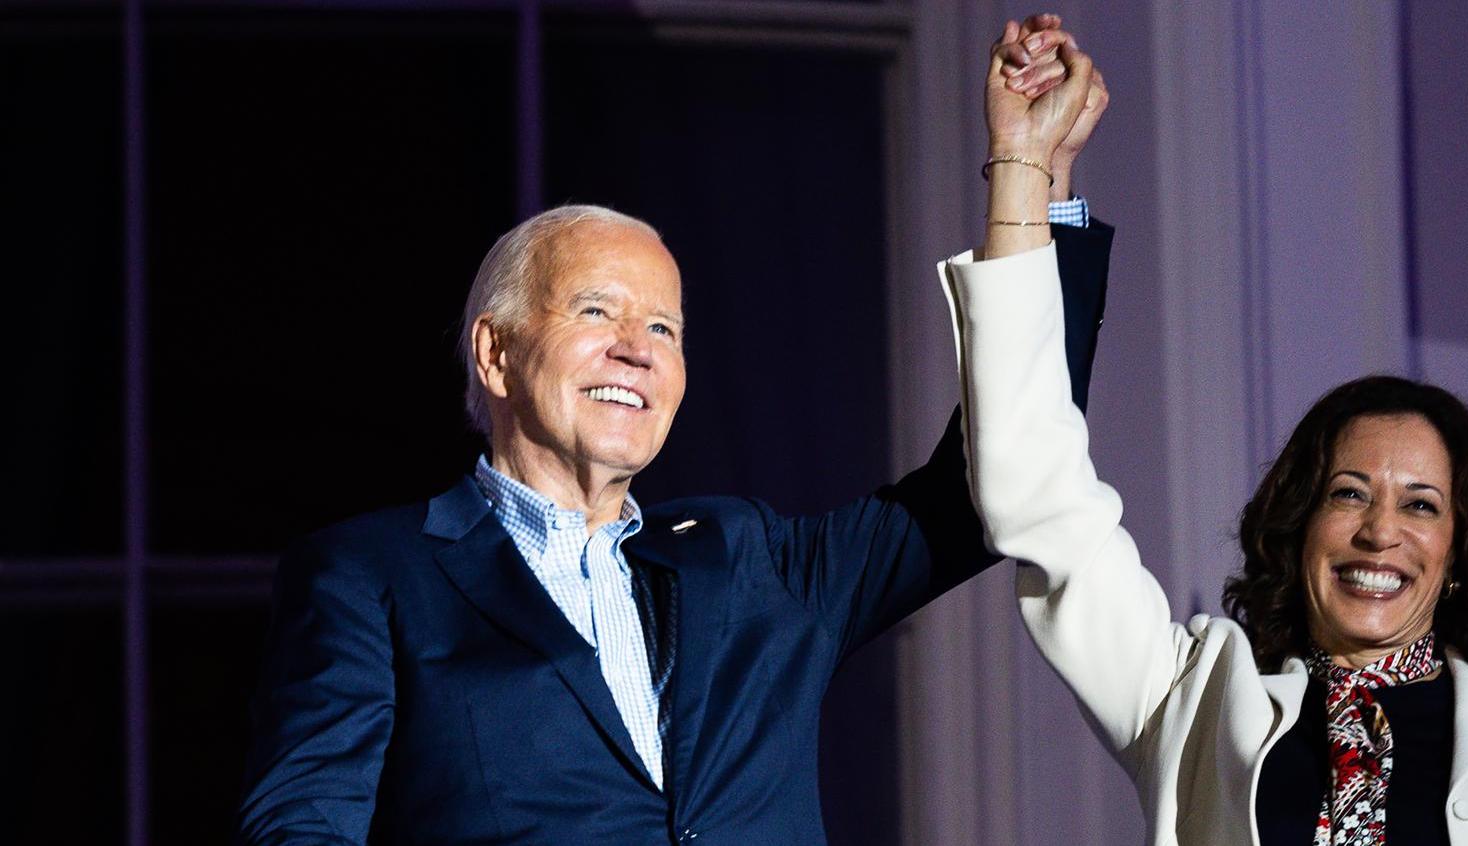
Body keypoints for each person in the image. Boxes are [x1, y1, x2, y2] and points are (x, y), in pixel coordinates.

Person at [236, 18, 1107, 844]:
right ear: (496, 354)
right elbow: (299, 827)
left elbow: (1002, 465)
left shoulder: (751, 561)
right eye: (595, 311)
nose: (637, 349)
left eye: (664, 329)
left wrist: (1028, 174)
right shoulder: (371, 576)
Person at [940, 42, 1468, 846]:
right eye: (1348, 493)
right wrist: (1023, 166)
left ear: (1457, 553)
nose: (1380, 531)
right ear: (1297, 524)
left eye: (1420, 505)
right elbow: (1033, 492)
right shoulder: (1194, 703)